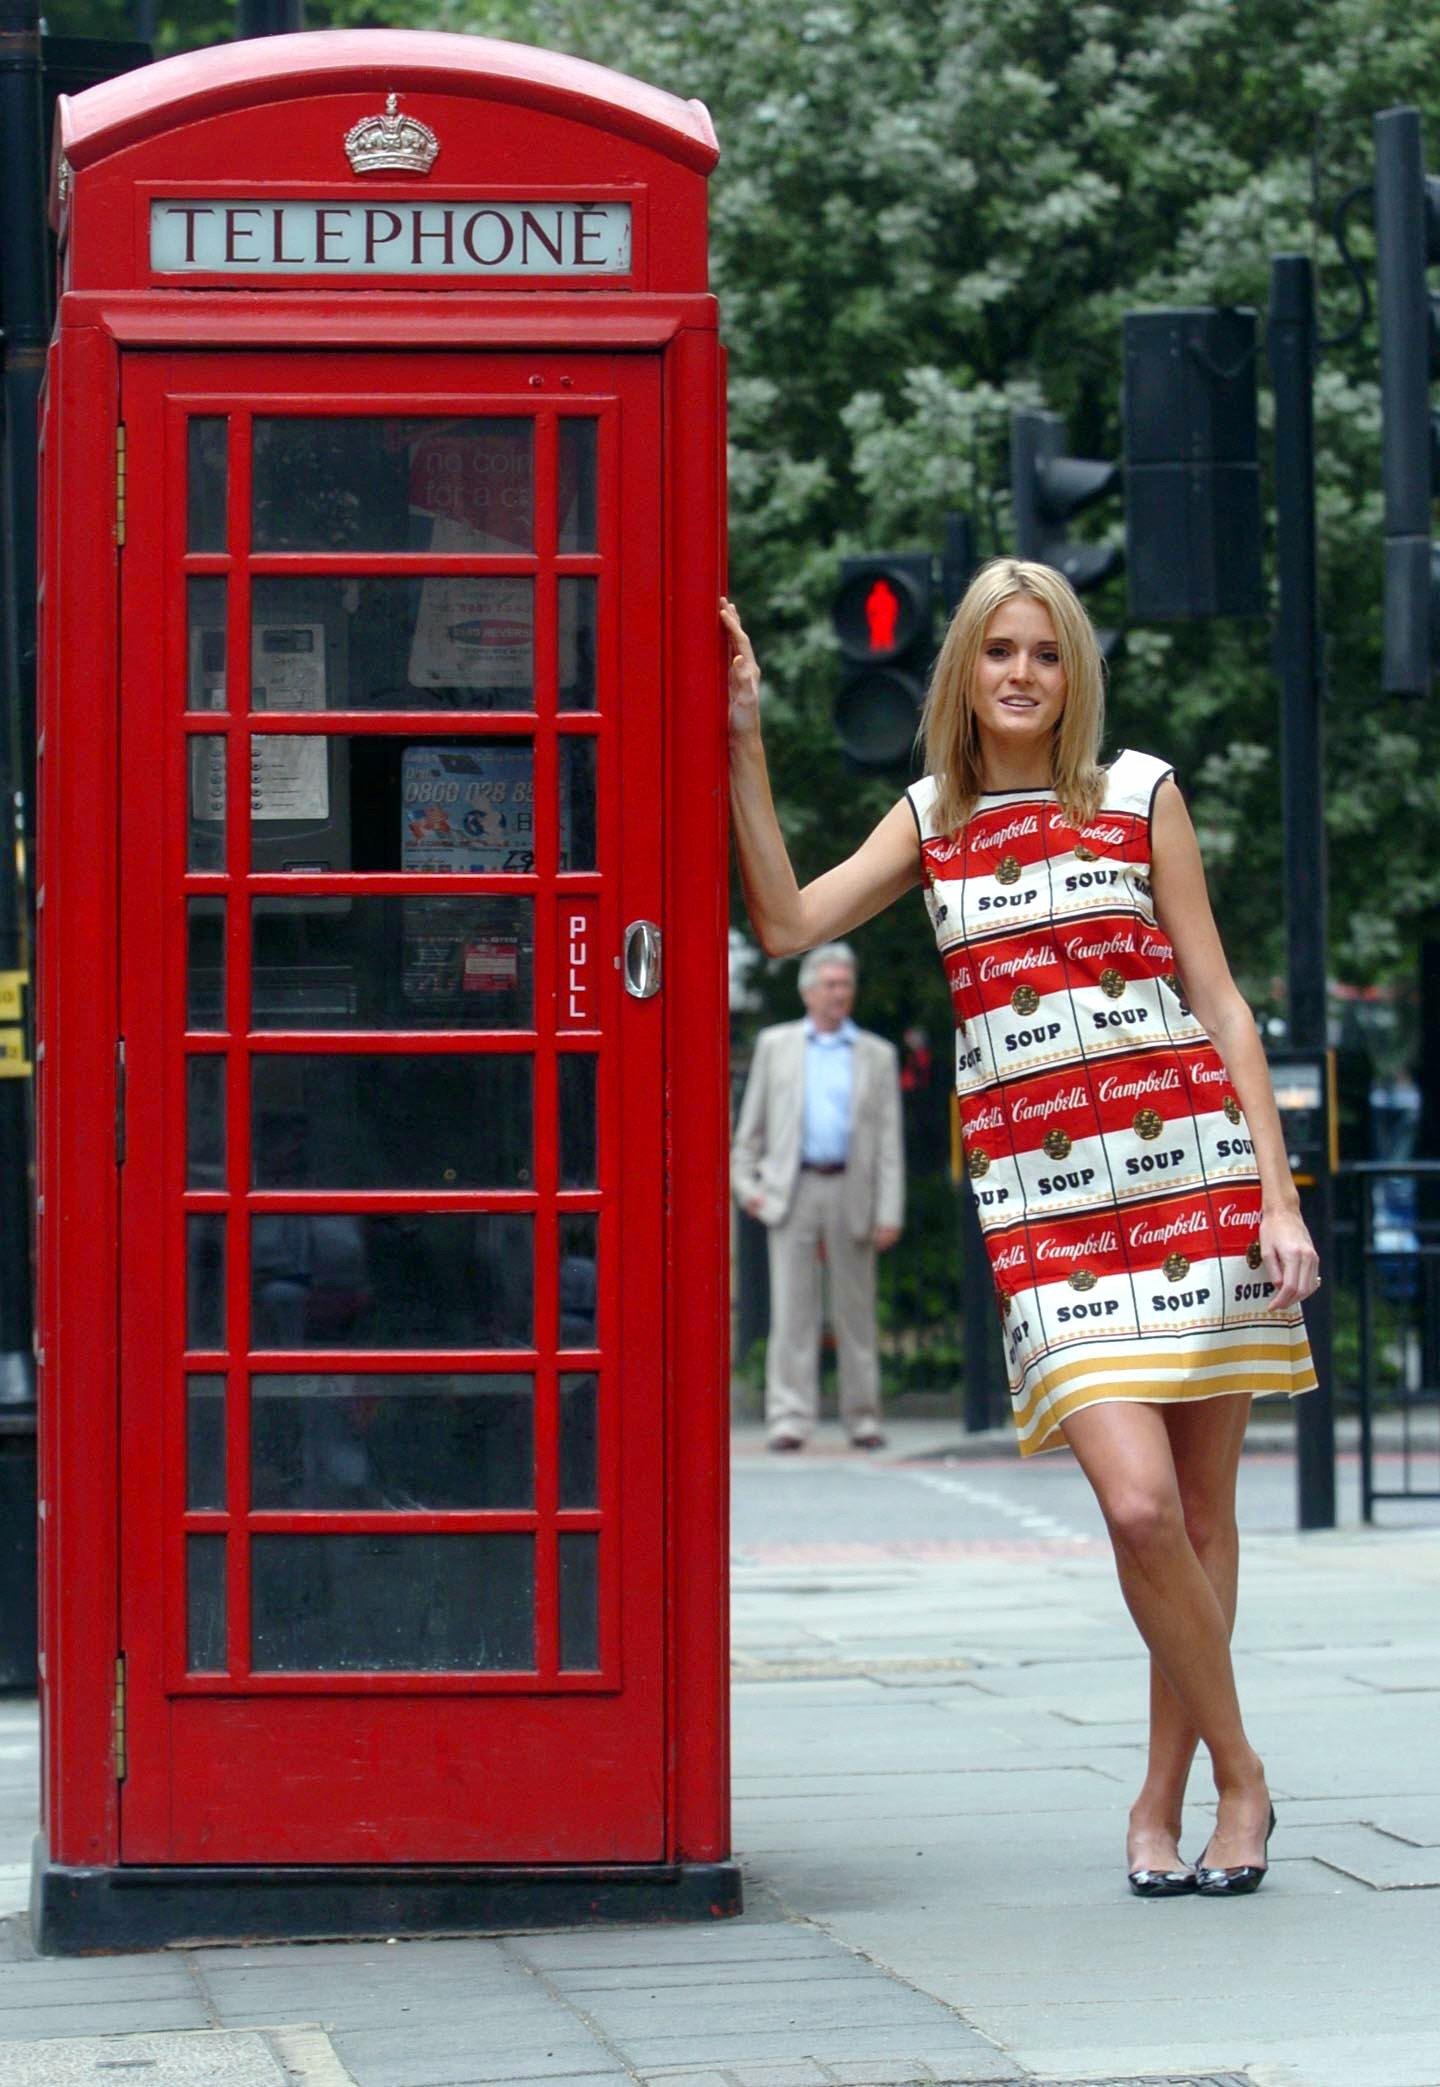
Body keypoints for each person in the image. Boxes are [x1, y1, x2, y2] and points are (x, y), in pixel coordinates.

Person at [723, 561, 1320, 1899]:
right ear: (964, 671)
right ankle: (1248, 1770)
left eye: (1046, 653)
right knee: (1138, 1502)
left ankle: (1168, 1793)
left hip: (1193, 1178)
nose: (1021, 675)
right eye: (999, 651)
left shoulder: (1138, 793)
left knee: (1204, 1508)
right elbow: (784, 918)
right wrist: (743, 736)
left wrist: (1277, 1194)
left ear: (1074, 673)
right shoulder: (932, 817)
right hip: (1046, 1210)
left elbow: (1223, 1006)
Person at [731, 944, 904, 1451]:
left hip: (854, 1188)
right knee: (792, 1314)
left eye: (845, 984)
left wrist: (889, 1210)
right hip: (793, 1189)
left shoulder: (876, 1054)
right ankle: (789, 1418)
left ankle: (864, 1418)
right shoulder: (775, 1046)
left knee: (856, 1314)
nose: (838, 993)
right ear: (807, 991)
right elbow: (748, 1136)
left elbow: (889, 1143)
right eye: (829, 984)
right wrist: (749, 1191)